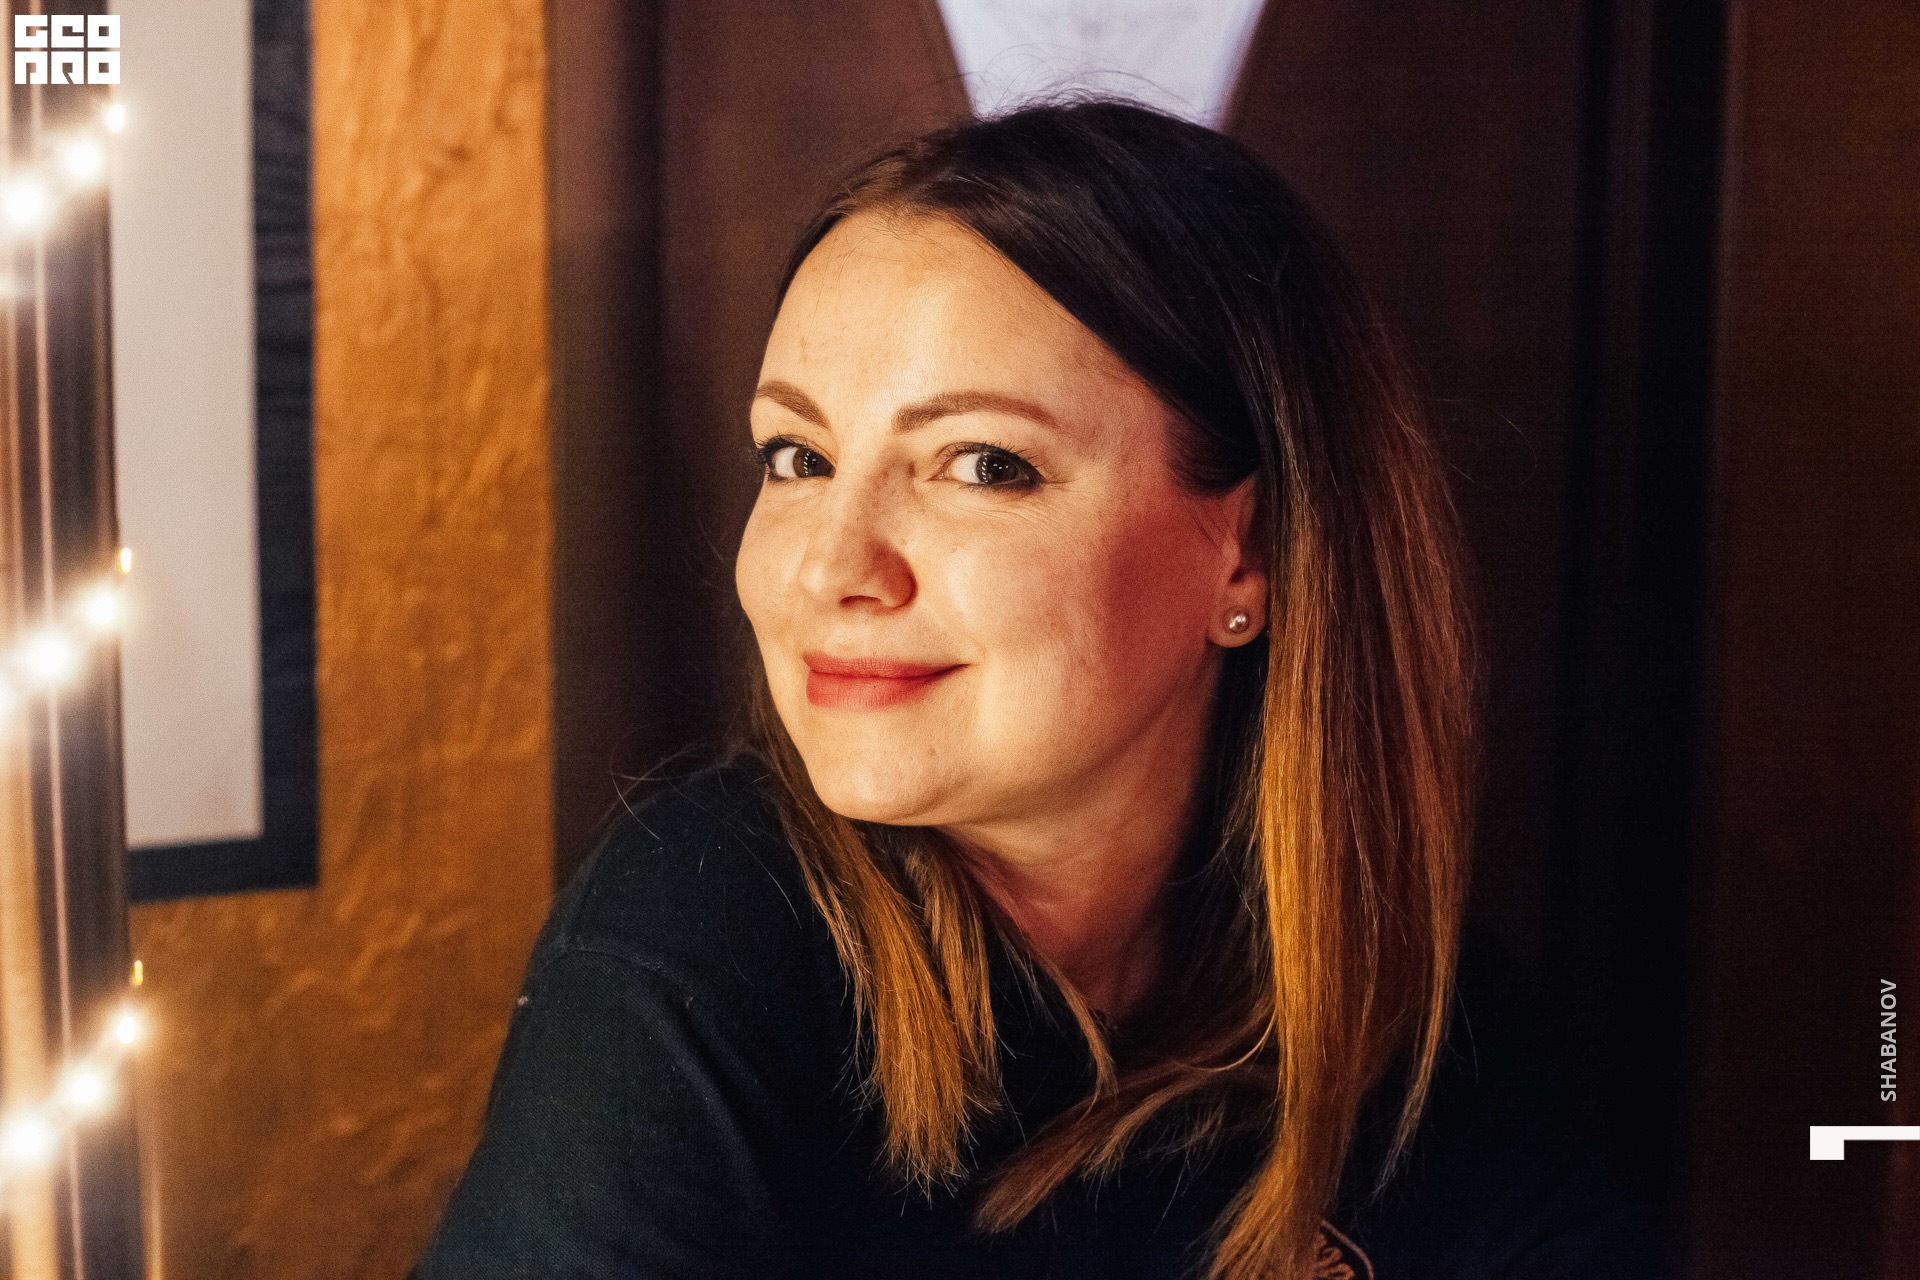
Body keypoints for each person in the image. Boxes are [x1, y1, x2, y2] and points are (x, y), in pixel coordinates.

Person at [416, 100, 1655, 1279]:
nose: (830, 567)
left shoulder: (1431, 1034)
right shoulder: (698, 948)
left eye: (983, 464)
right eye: (797, 457)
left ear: (1255, 551)